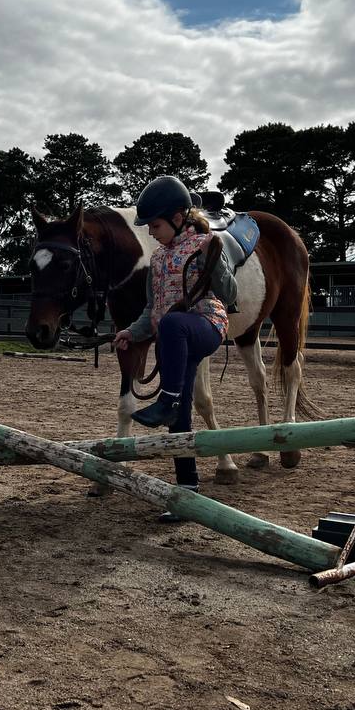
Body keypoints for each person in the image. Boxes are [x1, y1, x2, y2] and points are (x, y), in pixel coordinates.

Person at [112, 175, 237, 521]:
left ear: (178, 218)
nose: (150, 232)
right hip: (174, 340)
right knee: (180, 418)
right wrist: (131, 334)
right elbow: (150, 312)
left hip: (206, 325)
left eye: (155, 225)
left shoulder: (206, 245)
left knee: (171, 324)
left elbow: (230, 296)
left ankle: (166, 400)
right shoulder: (157, 261)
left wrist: (217, 261)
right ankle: (187, 492)